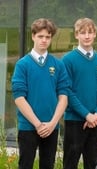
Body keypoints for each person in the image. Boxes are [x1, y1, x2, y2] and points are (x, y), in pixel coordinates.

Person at [11, 18, 70, 169]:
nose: (44, 40)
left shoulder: (58, 65)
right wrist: (37, 124)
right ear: (33, 36)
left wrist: (52, 123)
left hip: (51, 127)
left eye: (48, 37)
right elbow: (19, 98)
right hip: (28, 127)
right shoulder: (23, 64)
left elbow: (63, 97)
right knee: (25, 165)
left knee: (48, 165)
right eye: (40, 36)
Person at [62, 18, 97, 169]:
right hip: (75, 120)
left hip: (95, 120)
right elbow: (67, 91)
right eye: (83, 33)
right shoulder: (68, 60)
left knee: (93, 163)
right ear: (76, 35)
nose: (87, 36)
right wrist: (86, 114)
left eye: (90, 32)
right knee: (70, 162)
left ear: (95, 34)